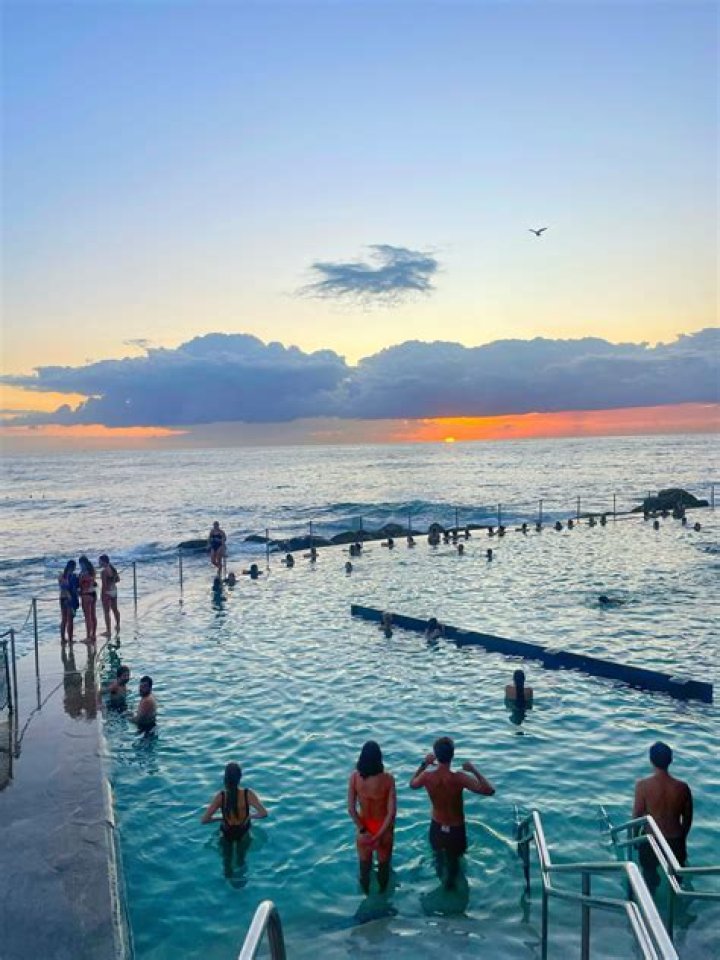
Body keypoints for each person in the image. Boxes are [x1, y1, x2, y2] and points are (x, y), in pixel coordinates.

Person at [410, 737, 495, 889]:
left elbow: (412, 784)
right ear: (452, 755)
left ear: (436, 755)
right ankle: (451, 888)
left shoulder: (427, 776)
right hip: (456, 831)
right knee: (455, 864)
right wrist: (473, 769)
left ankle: (441, 885)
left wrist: (424, 764)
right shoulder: (459, 778)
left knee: (438, 860)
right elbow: (489, 790)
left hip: (436, 829)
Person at [633, 742, 692, 892]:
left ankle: (650, 904)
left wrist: (634, 838)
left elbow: (637, 815)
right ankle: (678, 908)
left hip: (651, 840)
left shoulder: (643, 786)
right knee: (677, 879)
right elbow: (687, 819)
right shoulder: (683, 787)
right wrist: (682, 839)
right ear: (670, 760)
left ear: (651, 760)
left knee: (649, 875)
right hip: (675, 840)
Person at [347, 741, 396, 894]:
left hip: (365, 829)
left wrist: (363, 830)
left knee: (364, 869)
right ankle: (382, 897)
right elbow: (391, 813)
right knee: (383, 869)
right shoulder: (388, 779)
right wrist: (379, 835)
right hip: (383, 829)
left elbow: (351, 809)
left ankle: (366, 895)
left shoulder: (355, 778)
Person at [201, 761, 268, 840]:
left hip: (227, 830)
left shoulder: (221, 796)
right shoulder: (248, 794)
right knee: (242, 852)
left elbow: (204, 820)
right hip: (243, 829)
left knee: (226, 852)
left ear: (225, 778)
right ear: (240, 777)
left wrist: (221, 818)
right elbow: (263, 814)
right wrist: (249, 816)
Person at [58, 560, 80, 644]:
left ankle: (63, 638)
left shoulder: (61, 576)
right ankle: (70, 639)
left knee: (64, 619)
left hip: (62, 598)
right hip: (69, 598)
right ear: (73, 567)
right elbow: (67, 587)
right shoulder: (72, 576)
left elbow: (62, 587)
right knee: (70, 619)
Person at [99, 554, 120, 635]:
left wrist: (102, 594)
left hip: (107, 592)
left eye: (100, 561)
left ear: (103, 562)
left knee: (106, 612)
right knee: (115, 609)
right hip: (114, 590)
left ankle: (108, 631)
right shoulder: (112, 568)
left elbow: (104, 585)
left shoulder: (104, 572)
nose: (99, 563)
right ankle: (118, 625)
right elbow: (118, 580)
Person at [78, 555, 98, 643]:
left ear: (82, 563)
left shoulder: (83, 573)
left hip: (85, 594)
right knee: (93, 615)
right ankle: (93, 634)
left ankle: (88, 636)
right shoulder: (92, 571)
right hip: (93, 593)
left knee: (87, 617)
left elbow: (81, 585)